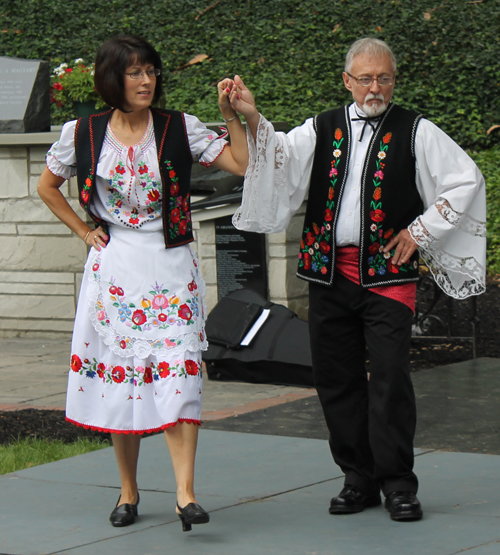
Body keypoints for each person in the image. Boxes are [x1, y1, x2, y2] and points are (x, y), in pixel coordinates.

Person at [226, 37, 486, 521]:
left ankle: (398, 485)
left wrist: (420, 231)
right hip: (328, 276)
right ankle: (357, 479)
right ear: (347, 80)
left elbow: (466, 179)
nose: (374, 87)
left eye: (383, 77)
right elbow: (279, 158)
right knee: (337, 380)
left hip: (388, 278)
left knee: (389, 379)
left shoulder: (416, 130)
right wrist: (252, 115)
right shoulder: (322, 127)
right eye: (365, 78)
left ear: (394, 80)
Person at [37, 35, 247, 531]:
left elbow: (240, 165)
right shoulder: (83, 133)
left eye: (151, 70)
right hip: (113, 267)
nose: (146, 80)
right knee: (122, 382)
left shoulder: (180, 128)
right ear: (113, 78)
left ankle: (185, 495)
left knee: (180, 376)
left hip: (171, 263)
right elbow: (47, 186)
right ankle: (128, 491)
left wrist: (232, 114)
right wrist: (86, 231)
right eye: (134, 72)